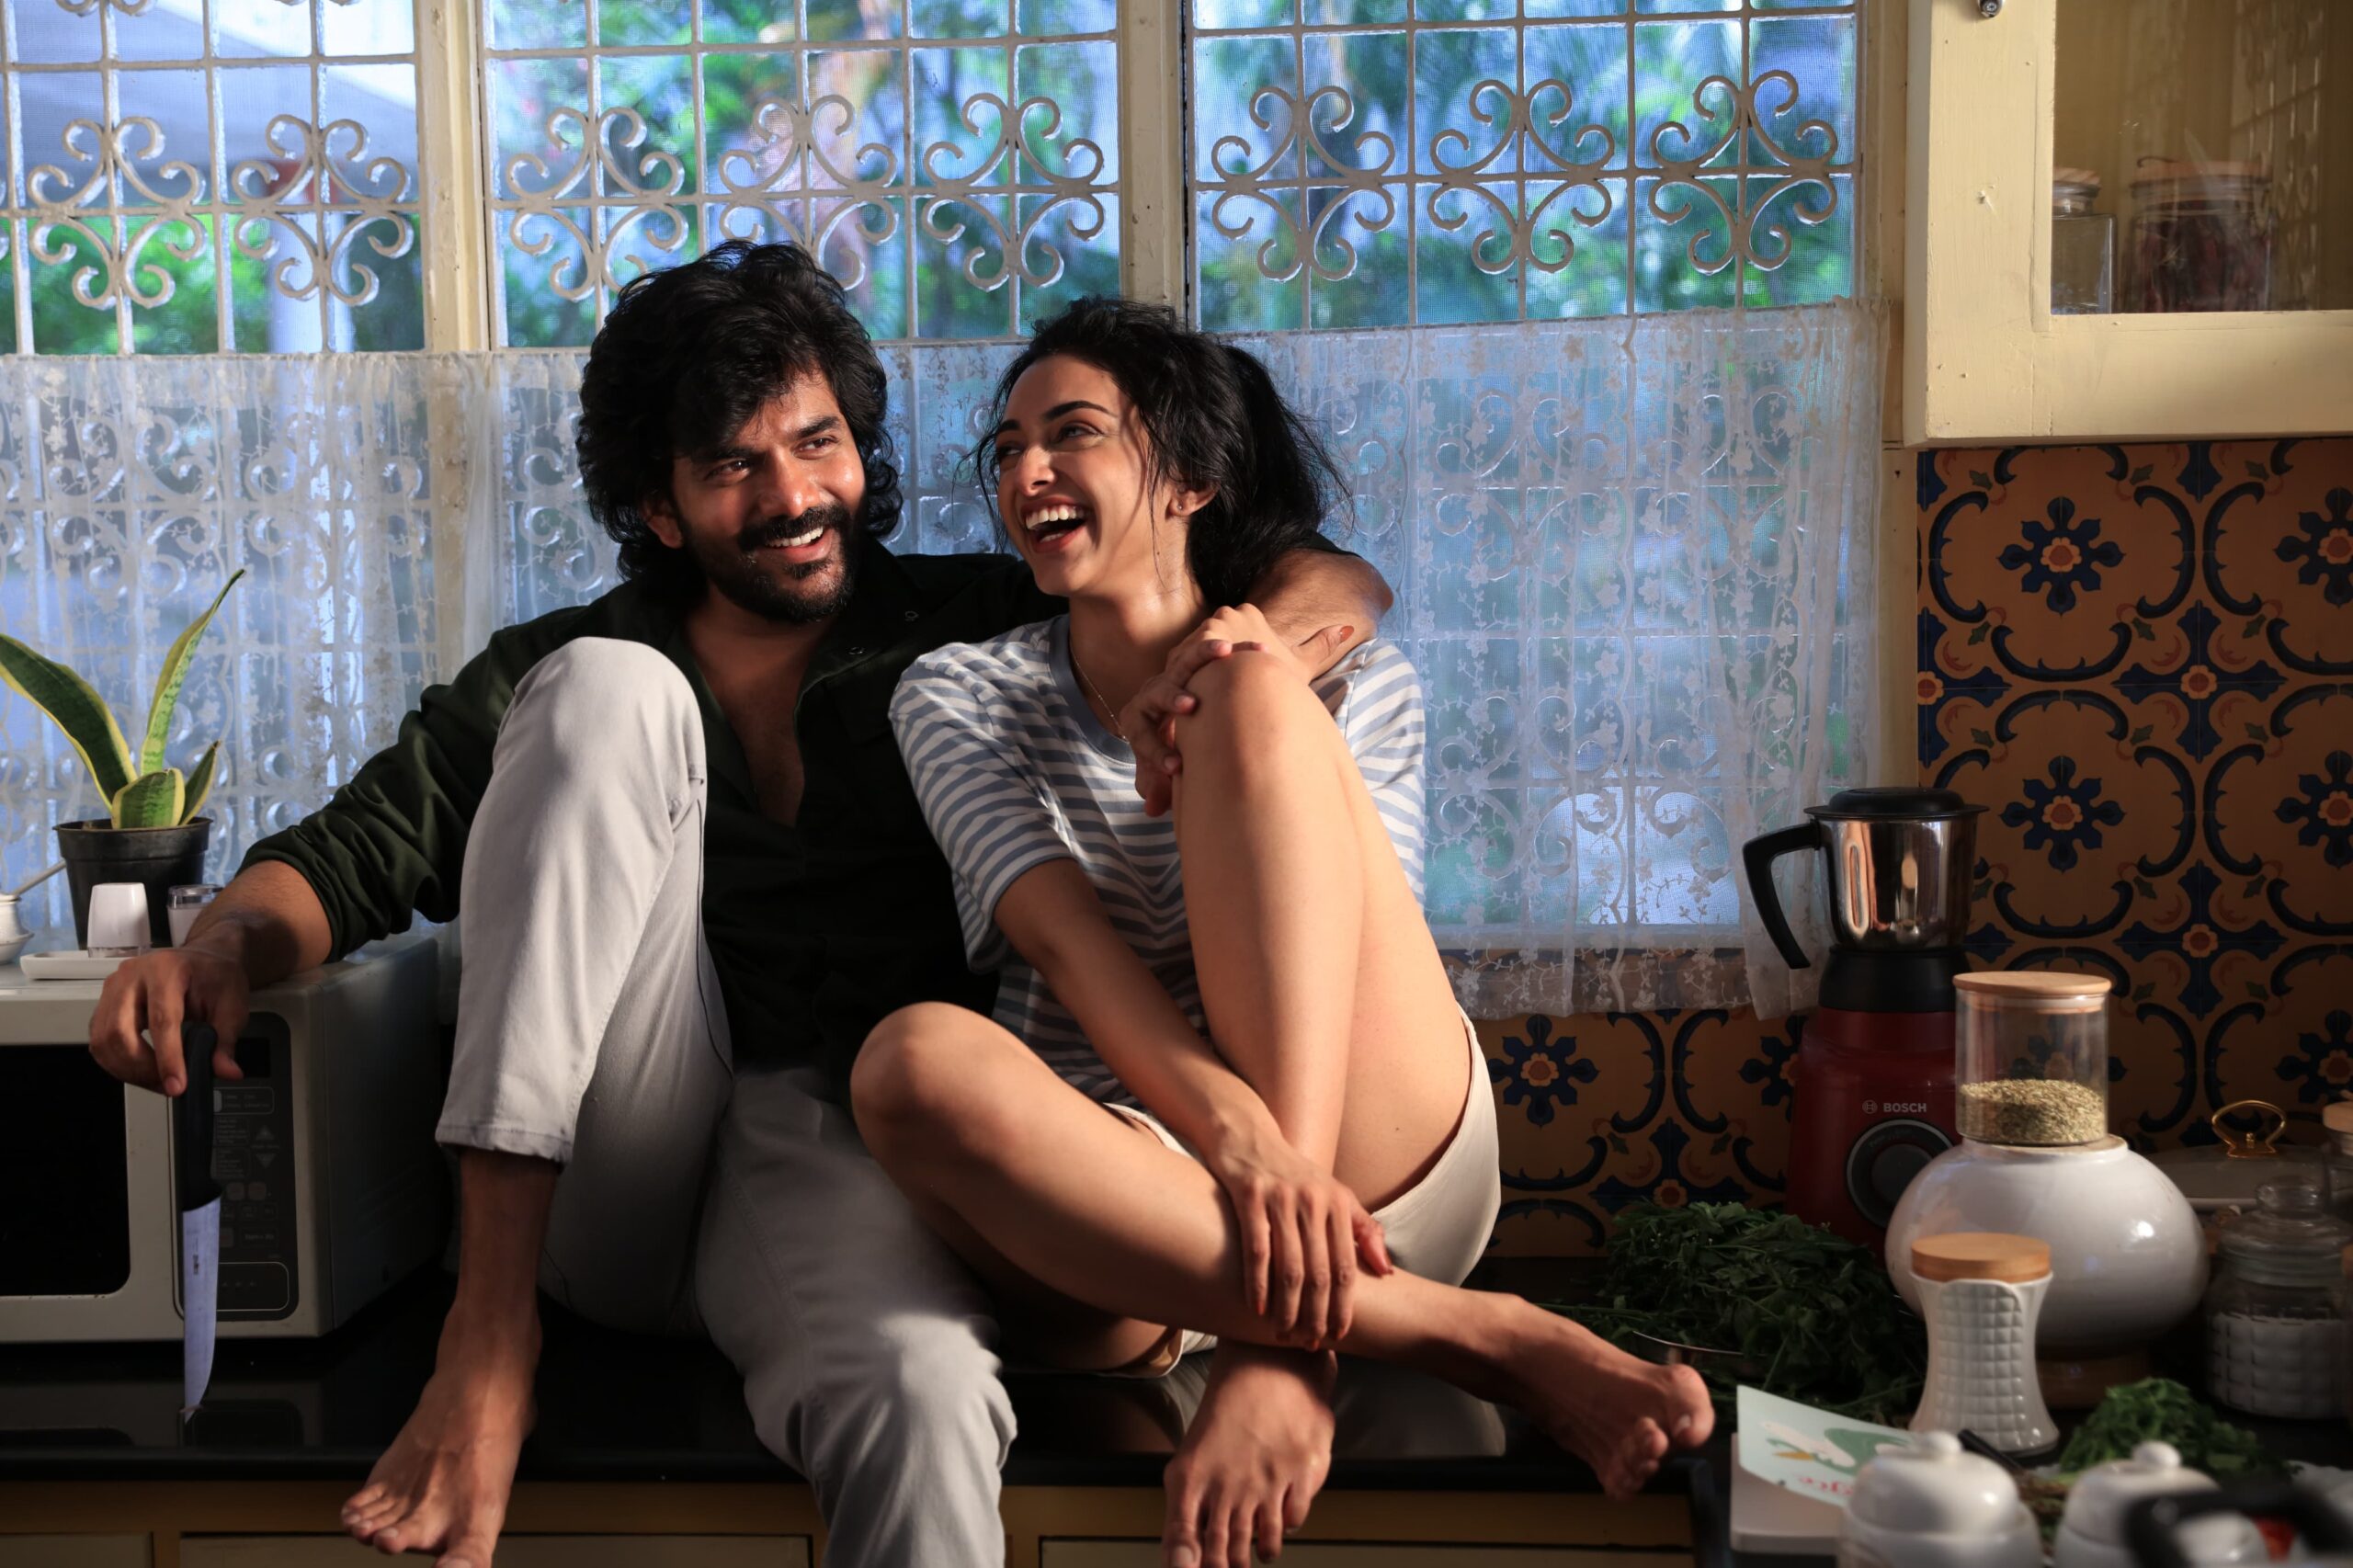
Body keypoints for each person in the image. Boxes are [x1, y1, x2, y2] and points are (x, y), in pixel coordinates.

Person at [82, 242, 1392, 1568]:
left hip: (848, 1157)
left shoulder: (972, 627)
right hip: (606, 1158)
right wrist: (219, 948)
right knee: (611, 692)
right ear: (660, 507)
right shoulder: (566, 667)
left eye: (819, 443)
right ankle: (487, 1339)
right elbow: (350, 854)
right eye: (733, 465)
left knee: (922, 1395)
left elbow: (1323, 579)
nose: (794, 496)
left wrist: (1245, 657)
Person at [858, 299, 1716, 1568]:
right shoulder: (957, 694)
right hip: (1137, 1200)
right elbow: (1074, 958)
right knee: (908, 1064)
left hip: (1377, 1171)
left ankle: (1290, 1331)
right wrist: (1242, 1151)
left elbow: (1351, 962)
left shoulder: (1350, 676)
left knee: (1250, 693)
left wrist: (1283, 1276)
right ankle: (1472, 1332)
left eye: (1072, 432)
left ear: (1190, 478)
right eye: (1007, 447)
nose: (1025, 471)